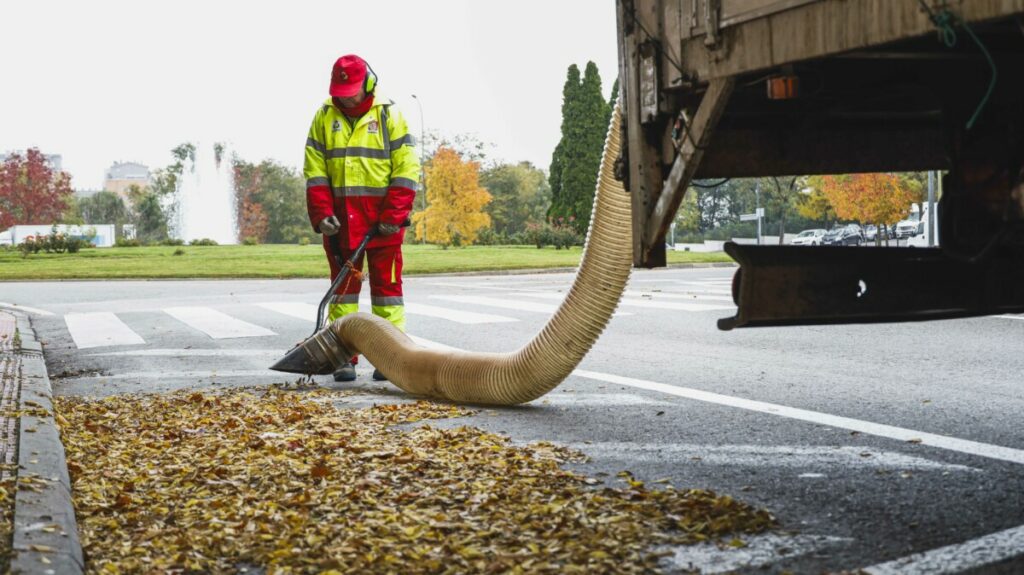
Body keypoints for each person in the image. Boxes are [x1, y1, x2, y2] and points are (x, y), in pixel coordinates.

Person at [303, 54, 419, 382]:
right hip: (341, 224)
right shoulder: (324, 117)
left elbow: (407, 169)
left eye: (352, 91)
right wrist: (322, 214)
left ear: (368, 83)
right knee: (343, 293)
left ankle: (392, 357)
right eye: (341, 91)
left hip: (383, 222)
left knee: (388, 293)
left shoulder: (389, 115)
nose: (346, 97)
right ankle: (343, 355)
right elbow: (315, 172)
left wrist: (393, 215)